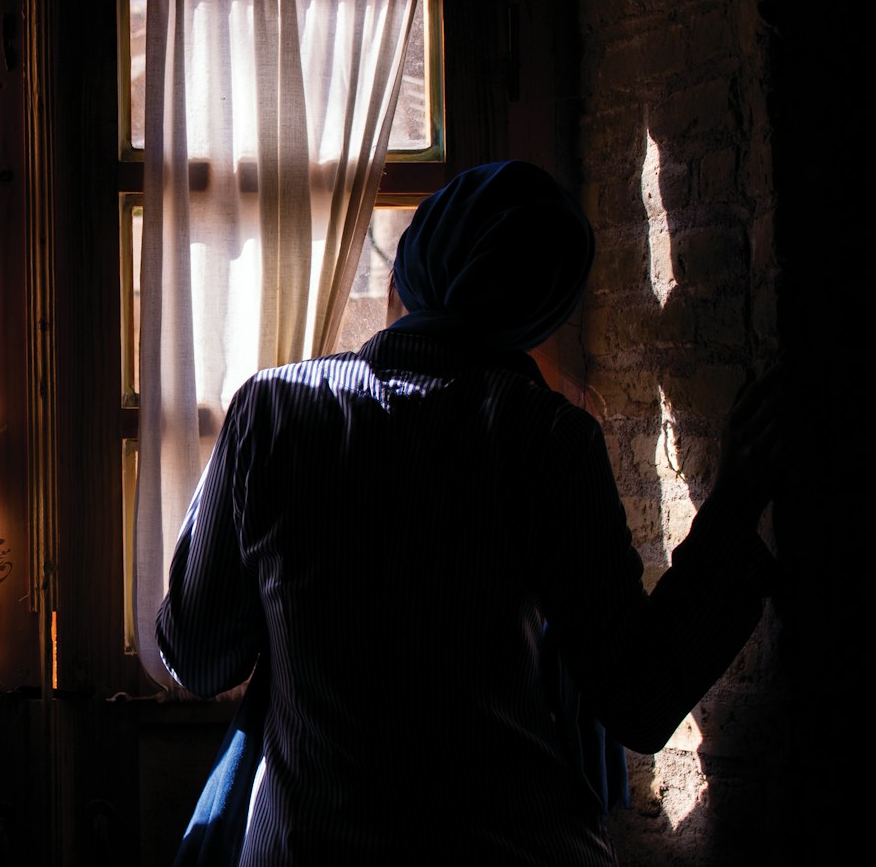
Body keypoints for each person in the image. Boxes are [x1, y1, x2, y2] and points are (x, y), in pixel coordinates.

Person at [156, 161, 780, 865]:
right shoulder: (547, 438)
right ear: (542, 309)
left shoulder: (275, 411)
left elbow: (199, 655)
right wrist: (731, 511)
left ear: (409, 273)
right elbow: (637, 696)